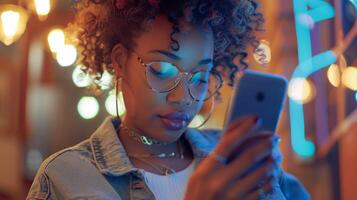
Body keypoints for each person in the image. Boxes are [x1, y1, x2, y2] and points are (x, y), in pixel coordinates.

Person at [27, 0, 310, 199]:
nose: (183, 97)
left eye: (200, 76)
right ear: (120, 61)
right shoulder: (65, 178)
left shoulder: (236, 165)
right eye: (162, 70)